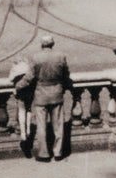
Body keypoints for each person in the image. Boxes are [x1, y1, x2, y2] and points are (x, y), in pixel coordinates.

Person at [27, 34, 71, 162]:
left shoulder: (35, 57)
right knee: (58, 126)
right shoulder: (61, 56)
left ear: (42, 44)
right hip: (57, 93)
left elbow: (29, 77)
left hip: (41, 94)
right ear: (53, 44)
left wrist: (18, 86)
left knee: (41, 127)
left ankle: (43, 154)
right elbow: (66, 75)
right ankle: (58, 152)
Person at [8, 57, 34, 155]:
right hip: (29, 89)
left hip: (20, 89)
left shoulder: (15, 66)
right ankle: (28, 130)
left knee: (21, 111)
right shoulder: (28, 65)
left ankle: (23, 133)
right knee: (29, 110)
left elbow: (10, 79)